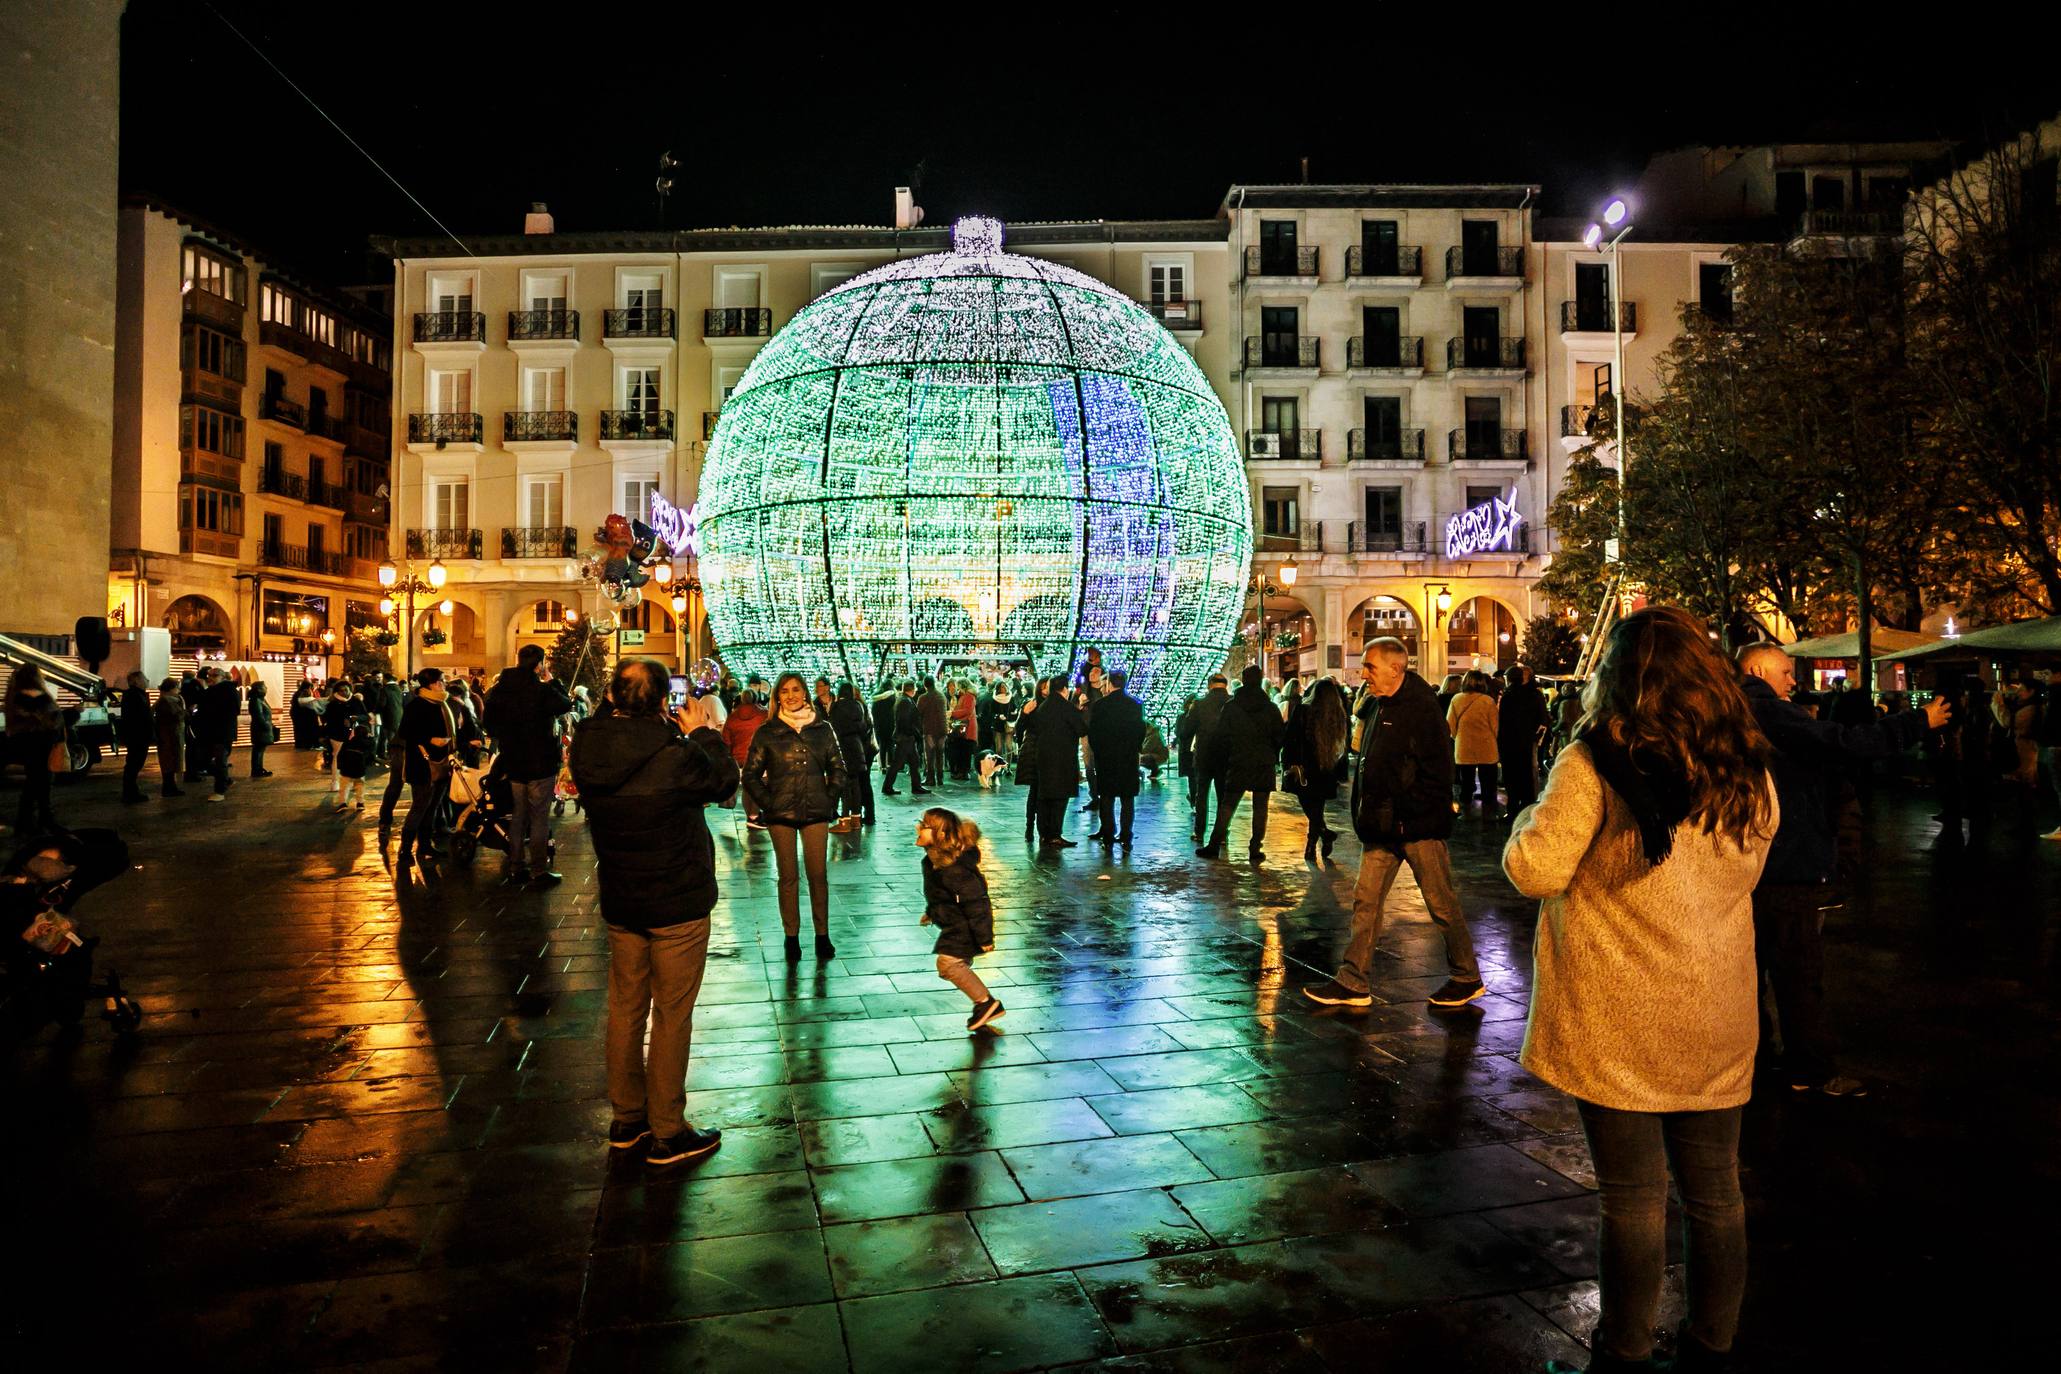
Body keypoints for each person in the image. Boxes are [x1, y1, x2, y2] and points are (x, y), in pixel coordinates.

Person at [1504, 607, 1780, 1374]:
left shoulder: (1594, 763)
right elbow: (1748, 872)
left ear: (1617, 677)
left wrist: (1529, 813)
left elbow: (1534, 868)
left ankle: (1622, 1348)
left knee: (1630, 1196)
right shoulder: (1745, 767)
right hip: (1714, 1008)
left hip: (1618, 1013)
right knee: (1715, 1194)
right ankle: (1712, 1340)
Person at [1738, 642, 1947, 1098]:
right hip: (1786, 866)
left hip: (1749, 866)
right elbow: (1845, 743)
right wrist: (1917, 720)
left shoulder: (1729, 712)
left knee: (1749, 975)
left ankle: (1756, 1063)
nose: (1793, 682)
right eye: (1786, 672)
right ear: (1757, 669)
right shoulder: (1766, 710)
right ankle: (1809, 1070)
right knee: (1798, 973)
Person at [572, 658, 738, 1166]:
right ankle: (668, 1128)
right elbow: (725, 784)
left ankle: (627, 1118)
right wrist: (705, 735)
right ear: (664, 699)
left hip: (622, 895)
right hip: (677, 898)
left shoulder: (587, 743)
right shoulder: (674, 752)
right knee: (672, 1012)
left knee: (624, 1006)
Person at [1304, 638, 1485, 1010]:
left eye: (1370, 667)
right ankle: (1353, 981)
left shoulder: (1421, 710)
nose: (1362, 673)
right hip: (1381, 826)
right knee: (1365, 902)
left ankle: (1466, 976)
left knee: (1441, 902)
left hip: (1416, 827)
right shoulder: (1378, 705)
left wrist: (1410, 813)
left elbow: (1438, 772)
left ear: (1395, 669)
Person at [743, 672, 846, 961]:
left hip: (816, 811)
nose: (791, 695)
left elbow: (839, 767)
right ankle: (792, 937)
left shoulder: (822, 729)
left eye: (796, 690)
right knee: (787, 877)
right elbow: (750, 774)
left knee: (818, 876)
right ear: (777, 696)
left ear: (805, 693)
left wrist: (829, 797)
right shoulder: (767, 732)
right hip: (781, 813)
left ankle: (822, 935)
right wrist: (769, 802)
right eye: (785, 691)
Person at [484, 644, 574, 886]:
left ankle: (515, 866)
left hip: (513, 761)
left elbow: (489, 723)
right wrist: (553, 682)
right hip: (540, 761)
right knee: (539, 817)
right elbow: (566, 704)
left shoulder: (500, 690)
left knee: (519, 814)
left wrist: (506, 737)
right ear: (539, 664)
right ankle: (538, 869)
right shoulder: (540, 689)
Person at [917, 806, 1003, 1030]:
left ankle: (986, 1003)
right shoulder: (934, 861)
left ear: (941, 834)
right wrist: (932, 912)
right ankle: (984, 1002)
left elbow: (977, 903)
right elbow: (942, 896)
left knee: (948, 964)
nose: (918, 828)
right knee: (950, 966)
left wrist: (985, 938)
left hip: (965, 926)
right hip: (955, 924)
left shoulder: (954, 869)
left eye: (924, 826)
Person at [1197, 665, 1284, 861]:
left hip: (1238, 761)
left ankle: (1213, 845)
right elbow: (1280, 736)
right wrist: (1271, 752)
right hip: (1263, 762)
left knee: (1228, 805)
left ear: (1243, 680)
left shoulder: (1232, 707)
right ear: (1260, 680)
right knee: (1260, 807)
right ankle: (1255, 848)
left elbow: (1221, 735)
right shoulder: (1270, 708)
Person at [396, 669, 456, 877]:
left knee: (433, 806)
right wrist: (430, 739)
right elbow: (405, 732)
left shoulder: (442, 703)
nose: (443, 684)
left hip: (442, 762)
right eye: (440, 681)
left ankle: (425, 845)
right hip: (422, 764)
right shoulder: (417, 705)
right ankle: (405, 848)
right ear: (429, 684)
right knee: (420, 805)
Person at [1282, 676, 1348, 860]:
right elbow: (1342, 746)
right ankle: (1319, 838)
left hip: (1305, 768)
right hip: (1327, 770)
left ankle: (1316, 842)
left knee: (1309, 804)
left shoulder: (1303, 710)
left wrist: (1289, 762)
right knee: (1317, 806)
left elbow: (1290, 738)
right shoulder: (1338, 716)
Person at [1086, 670, 1146, 846]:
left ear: (1110, 684)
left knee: (1106, 796)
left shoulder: (1100, 705)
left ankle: (1108, 832)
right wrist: (1135, 748)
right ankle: (1126, 832)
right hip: (1128, 757)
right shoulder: (1135, 705)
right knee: (1127, 798)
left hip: (1106, 757)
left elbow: (1093, 732)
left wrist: (1098, 751)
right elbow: (1140, 730)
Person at [1027, 676, 1086, 850]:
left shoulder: (1043, 707)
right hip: (1063, 759)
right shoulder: (1067, 707)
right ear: (1065, 689)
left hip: (1043, 757)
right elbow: (1081, 729)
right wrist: (1081, 712)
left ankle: (1044, 834)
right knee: (1060, 799)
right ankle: (1054, 835)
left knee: (1045, 798)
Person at [5, 664, 62, 833]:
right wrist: (72, 713)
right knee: (42, 784)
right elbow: (51, 720)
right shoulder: (38, 698)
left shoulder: (15, 696)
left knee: (33, 784)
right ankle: (43, 820)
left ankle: (26, 822)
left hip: (30, 746)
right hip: (41, 746)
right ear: (36, 677)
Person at [1182, 674, 1231, 842]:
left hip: (1204, 756)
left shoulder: (1200, 704)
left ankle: (1199, 831)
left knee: (1202, 795)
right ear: (1226, 685)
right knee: (1223, 797)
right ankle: (1222, 834)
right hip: (1226, 756)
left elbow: (1186, 731)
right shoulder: (1233, 703)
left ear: (1210, 685)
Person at [1498, 664, 1549, 818]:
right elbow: (1543, 718)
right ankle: (1527, 808)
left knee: (1511, 775)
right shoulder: (1535, 695)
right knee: (1527, 774)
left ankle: (1512, 809)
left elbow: (1503, 721)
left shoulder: (1508, 696)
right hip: (1527, 740)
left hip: (1509, 741)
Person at [1447, 670, 1501, 814]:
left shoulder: (1456, 699)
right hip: (1487, 746)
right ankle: (1489, 811)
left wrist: (1458, 737)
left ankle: (1466, 809)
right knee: (1488, 780)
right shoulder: (1488, 701)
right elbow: (1495, 726)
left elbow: (1450, 725)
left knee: (1466, 780)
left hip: (1464, 746)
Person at [828, 681, 877, 826]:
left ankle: (846, 818)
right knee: (859, 783)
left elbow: (833, 727)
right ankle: (859, 816)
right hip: (860, 748)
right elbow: (863, 727)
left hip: (845, 748)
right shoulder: (859, 706)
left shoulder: (837, 707)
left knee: (846, 784)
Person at [721, 683, 769, 825]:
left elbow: (726, 740)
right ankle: (754, 815)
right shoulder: (763, 714)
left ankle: (751, 815)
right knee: (758, 785)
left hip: (739, 758)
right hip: (758, 757)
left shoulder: (733, 717)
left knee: (747, 785)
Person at [194, 667, 242, 802]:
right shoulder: (211, 691)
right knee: (205, 760)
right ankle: (224, 780)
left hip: (221, 732)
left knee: (219, 760)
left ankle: (220, 790)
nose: (211, 678)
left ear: (222, 677)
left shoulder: (228, 691)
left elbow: (231, 711)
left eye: (214, 675)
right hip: (212, 731)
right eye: (209, 675)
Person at [883, 680, 929, 796]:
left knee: (913, 761)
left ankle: (916, 786)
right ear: (912, 689)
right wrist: (915, 733)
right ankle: (889, 786)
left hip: (905, 737)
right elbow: (905, 721)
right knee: (898, 763)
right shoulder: (906, 702)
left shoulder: (902, 700)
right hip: (905, 737)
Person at [118, 671, 155, 804]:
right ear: (136, 681)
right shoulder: (135, 696)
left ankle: (131, 792)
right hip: (137, 736)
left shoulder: (135, 695)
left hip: (136, 736)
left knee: (133, 764)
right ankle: (130, 793)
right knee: (134, 764)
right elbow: (139, 717)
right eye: (144, 678)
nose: (147, 680)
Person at [321, 682, 364, 795]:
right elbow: (326, 718)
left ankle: (353, 781)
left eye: (346, 689)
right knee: (337, 755)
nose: (344, 692)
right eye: (341, 690)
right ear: (336, 691)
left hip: (353, 734)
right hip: (337, 733)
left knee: (353, 756)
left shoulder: (356, 701)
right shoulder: (333, 703)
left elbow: (365, 715)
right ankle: (335, 782)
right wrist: (340, 720)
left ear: (350, 689)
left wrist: (356, 718)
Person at [153, 678, 187, 799]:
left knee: (170, 760)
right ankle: (169, 787)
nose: (178, 690)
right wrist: (186, 712)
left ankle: (170, 786)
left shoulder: (165, 700)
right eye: (177, 687)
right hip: (169, 735)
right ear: (171, 688)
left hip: (170, 734)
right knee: (170, 760)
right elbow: (177, 715)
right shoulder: (167, 701)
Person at [334, 715, 374, 812]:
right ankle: (360, 803)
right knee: (359, 785)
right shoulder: (368, 743)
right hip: (360, 768)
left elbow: (340, 755)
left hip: (346, 768)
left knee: (344, 786)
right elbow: (370, 756)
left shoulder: (348, 742)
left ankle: (342, 803)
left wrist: (339, 766)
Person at [917, 677, 948, 787]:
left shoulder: (923, 698)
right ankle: (940, 778)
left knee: (929, 756)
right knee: (940, 754)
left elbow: (918, 713)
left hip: (929, 729)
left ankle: (930, 779)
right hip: (943, 729)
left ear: (925, 685)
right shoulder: (941, 696)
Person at [947, 679, 978, 779]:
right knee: (963, 751)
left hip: (966, 728)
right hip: (965, 727)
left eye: (958, 686)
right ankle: (962, 772)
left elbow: (967, 711)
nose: (957, 688)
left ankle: (963, 772)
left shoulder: (969, 696)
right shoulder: (967, 696)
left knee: (965, 751)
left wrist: (953, 713)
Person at [179, 671, 205, 781]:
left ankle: (191, 771)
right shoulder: (195, 685)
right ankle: (193, 772)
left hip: (186, 720)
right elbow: (202, 698)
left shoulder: (181, 686)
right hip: (195, 720)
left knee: (190, 747)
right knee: (194, 747)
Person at [247, 681, 275, 778]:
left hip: (262, 727)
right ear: (259, 689)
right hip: (260, 728)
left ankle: (259, 768)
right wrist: (266, 725)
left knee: (260, 749)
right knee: (258, 749)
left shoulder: (260, 699)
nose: (266, 688)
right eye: (264, 686)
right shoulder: (256, 700)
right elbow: (258, 715)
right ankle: (256, 770)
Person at [289, 680, 318, 752]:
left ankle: (299, 744)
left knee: (298, 729)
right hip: (301, 715)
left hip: (296, 714)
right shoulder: (302, 693)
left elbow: (292, 702)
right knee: (303, 730)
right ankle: (304, 744)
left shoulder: (297, 693)